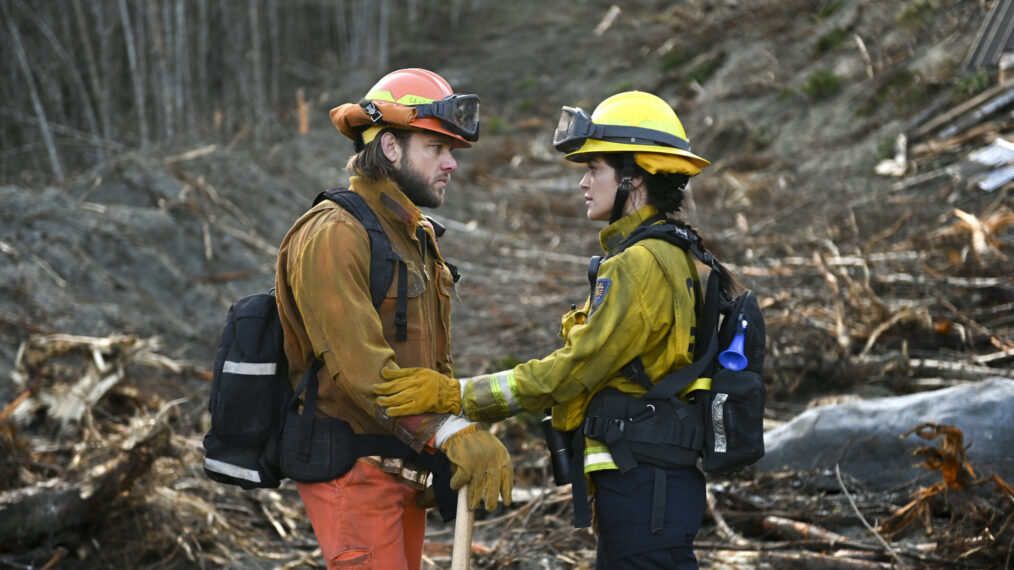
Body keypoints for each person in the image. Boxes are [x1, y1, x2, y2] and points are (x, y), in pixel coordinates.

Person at [374, 90, 740, 569]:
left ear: (634, 176)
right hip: (652, 485)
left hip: (644, 489)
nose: (584, 183)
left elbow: (573, 371)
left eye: (595, 169)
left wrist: (457, 396)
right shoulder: (676, 253)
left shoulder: (641, 263)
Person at [274, 68, 513, 570]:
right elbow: (362, 369)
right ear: (389, 147)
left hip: (402, 466)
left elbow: (431, 363)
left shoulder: (413, 235)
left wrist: (440, 443)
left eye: (452, 151)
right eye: (436, 149)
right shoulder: (333, 233)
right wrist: (446, 434)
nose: (450, 164)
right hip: (353, 473)